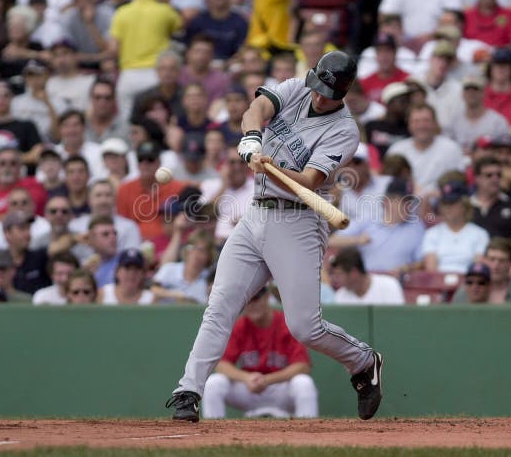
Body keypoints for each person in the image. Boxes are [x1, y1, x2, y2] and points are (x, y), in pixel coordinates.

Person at [166, 50, 383, 423]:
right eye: (317, 87)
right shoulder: (298, 86)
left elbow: (310, 182)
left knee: (304, 326)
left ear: (344, 92)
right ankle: (188, 390)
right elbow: (256, 110)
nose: (317, 96)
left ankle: (364, 361)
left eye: (327, 93)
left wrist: (271, 164)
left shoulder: (344, 131)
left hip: (298, 222)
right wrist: (252, 138)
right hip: (256, 214)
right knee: (220, 304)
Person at [202, 284, 318, 419]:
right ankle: (213, 436)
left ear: (267, 297)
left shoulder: (286, 323)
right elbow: (222, 365)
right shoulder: (240, 326)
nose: (252, 305)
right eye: (248, 301)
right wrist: (246, 378)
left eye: (256, 299)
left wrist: (267, 380)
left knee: (304, 383)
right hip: (250, 388)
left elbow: (302, 366)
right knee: (214, 383)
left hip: (279, 388)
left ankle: (307, 434)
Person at [329, 177, 425, 273]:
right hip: (366, 282)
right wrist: (357, 240)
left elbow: (422, 262)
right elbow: (331, 241)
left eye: (410, 201)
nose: (408, 206)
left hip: (397, 283)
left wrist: (407, 268)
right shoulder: (368, 220)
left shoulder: (416, 227)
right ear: (387, 202)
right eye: (403, 201)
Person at [385, 104, 465, 198]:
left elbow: (458, 181)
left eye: (426, 120)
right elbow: (387, 183)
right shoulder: (396, 150)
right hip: (405, 206)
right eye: (416, 121)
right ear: (409, 125)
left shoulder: (451, 148)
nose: (421, 126)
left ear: (435, 123)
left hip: (441, 204)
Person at [423, 181, 490, 274]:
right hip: (439, 284)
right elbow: (431, 269)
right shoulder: (431, 233)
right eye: (444, 203)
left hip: (469, 283)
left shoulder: (480, 233)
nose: (447, 208)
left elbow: (477, 268)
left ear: (464, 205)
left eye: (452, 203)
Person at [152, 229, 213, 305]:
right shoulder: (169, 269)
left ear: (209, 256)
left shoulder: (210, 278)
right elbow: (153, 289)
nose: (196, 254)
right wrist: (176, 295)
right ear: (186, 250)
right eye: (193, 248)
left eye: (202, 250)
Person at [329, 247, 405, 305]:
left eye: (339, 274)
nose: (336, 279)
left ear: (353, 272)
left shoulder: (389, 285)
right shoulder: (340, 296)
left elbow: (398, 319)